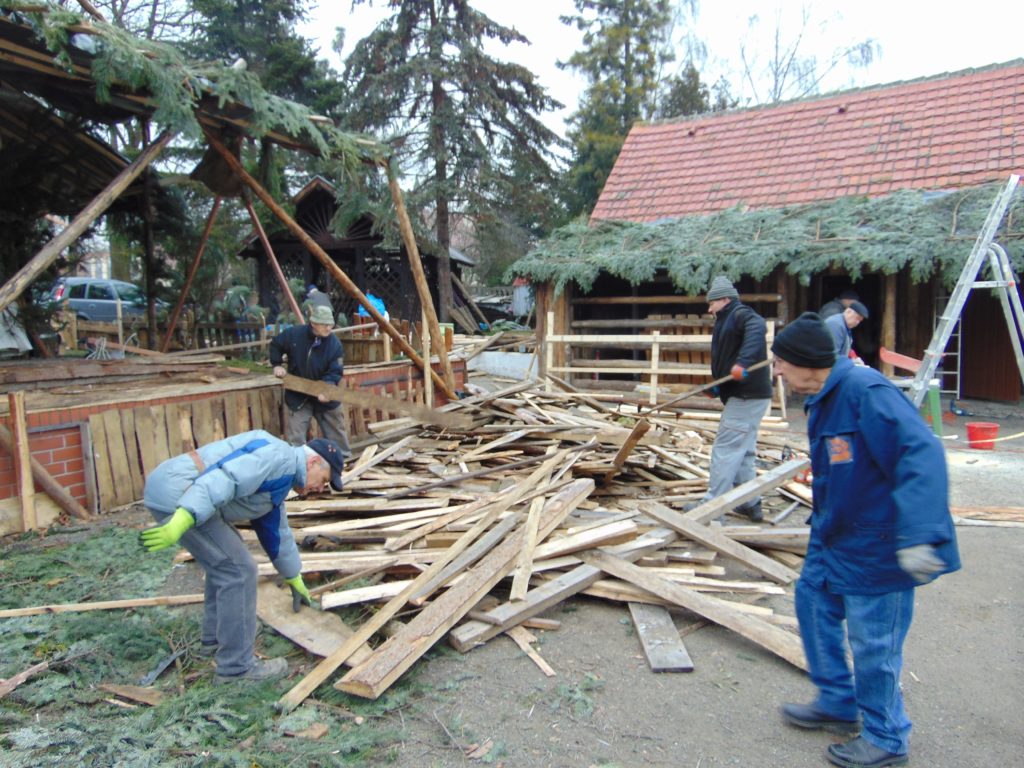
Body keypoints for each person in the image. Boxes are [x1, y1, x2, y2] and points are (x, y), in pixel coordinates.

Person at [771, 312, 960, 768]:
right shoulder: (821, 395)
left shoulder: (866, 392)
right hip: (836, 533)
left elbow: (922, 453)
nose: (776, 371)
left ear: (806, 362)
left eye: (780, 363)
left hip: (882, 541)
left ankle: (886, 737)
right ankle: (838, 699)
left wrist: (919, 535)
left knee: (874, 643)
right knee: (812, 604)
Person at [139, 430, 346, 684]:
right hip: (180, 495)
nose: (320, 488)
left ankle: (214, 641)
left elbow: (276, 532)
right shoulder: (277, 456)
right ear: (313, 462)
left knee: (226, 562)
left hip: (178, 491)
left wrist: (294, 576)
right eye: (324, 480)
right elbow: (225, 479)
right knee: (239, 570)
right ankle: (236, 669)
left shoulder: (281, 478)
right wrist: (183, 518)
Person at [696, 276, 773, 521]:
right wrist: (719, 386)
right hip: (743, 393)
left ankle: (712, 508)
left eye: (712, 303)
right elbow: (726, 360)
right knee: (743, 451)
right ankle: (750, 502)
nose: (709, 309)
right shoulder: (725, 319)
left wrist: (744, 363)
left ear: (725, 299)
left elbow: (758, 326)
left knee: (726, 449)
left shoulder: (741, 314)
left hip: (746, 394)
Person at [269, 304, 352, 459]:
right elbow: (276, 344)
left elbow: (335, 371)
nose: (329, 328)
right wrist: (277, 364)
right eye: (325, 325)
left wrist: (326, 387)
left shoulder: (334, 345)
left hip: (324, 393)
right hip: (298, 393)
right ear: (313, 323)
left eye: (331, 324)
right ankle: (297, 463)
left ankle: (343, 460)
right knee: (296, 436)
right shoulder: (294, 335)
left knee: (336, 430)